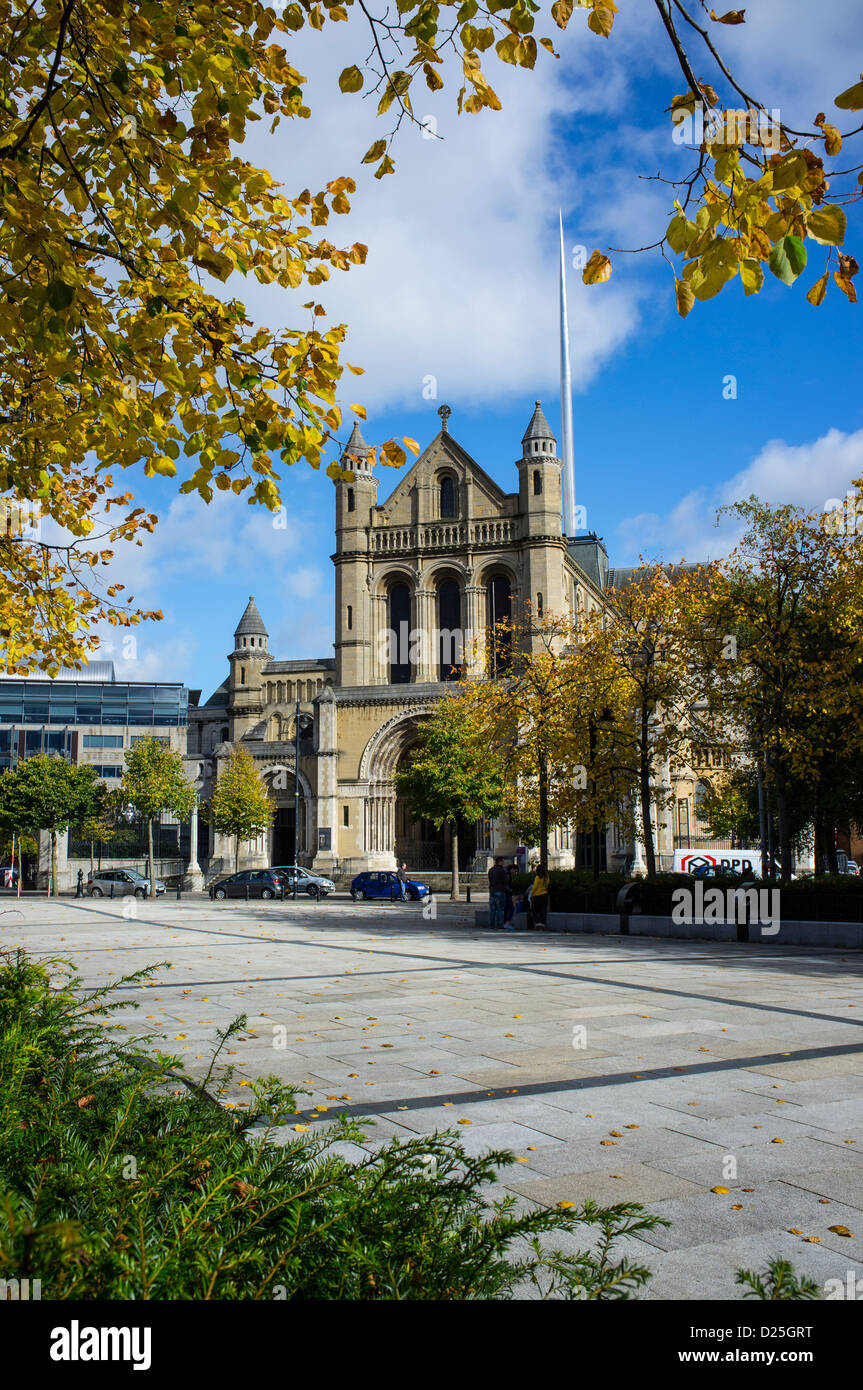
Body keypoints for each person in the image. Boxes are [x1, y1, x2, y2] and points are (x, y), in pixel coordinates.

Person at [487, 856, 509, 929]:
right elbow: (505, 880)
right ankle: (500, 924)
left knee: (492, 909)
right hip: (500, 890)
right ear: (500, 862)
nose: (504, 863)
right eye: (503, 861)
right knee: (500, 908)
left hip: (492, 890)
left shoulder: (491, 870)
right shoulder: (502, 870)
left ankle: (492, 925)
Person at [502, 861, 516, 929]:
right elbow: (506, 884)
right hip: (507, 894)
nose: (515, 872)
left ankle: (505, 922)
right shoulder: (508, 875)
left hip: (506, 893)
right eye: (515, 871)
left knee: (506, 908)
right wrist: (510, 890)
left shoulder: (506, 874)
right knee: (510, 908)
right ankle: (506, 922)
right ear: (512, 869)